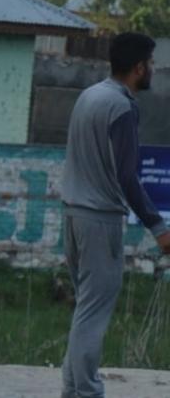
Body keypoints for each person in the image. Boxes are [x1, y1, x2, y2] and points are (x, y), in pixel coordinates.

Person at [61, 32, 170, 398]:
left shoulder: (89, 96)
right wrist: (158, 226)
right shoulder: (121, 107)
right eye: (152, 63)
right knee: (94, 312)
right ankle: (88, 392)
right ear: (139, 67)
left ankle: (73, 390)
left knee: (85, 310)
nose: (153, 69)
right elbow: (127, 176)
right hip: (100, 218)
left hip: (73, 214)